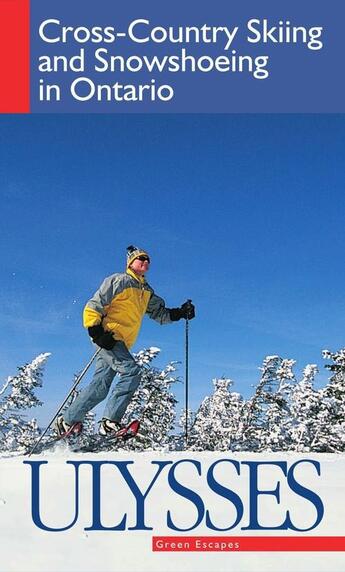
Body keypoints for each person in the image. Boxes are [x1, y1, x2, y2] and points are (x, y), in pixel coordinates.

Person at [57, 245, 195, 437]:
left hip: (120, 342)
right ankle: (109, 423)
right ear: (131, 262)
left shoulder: (146, 291)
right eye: (141, 258)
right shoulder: (119, 281)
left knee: (100, 386)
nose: (146, 262)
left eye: (148, 260)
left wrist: (181, 313)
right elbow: (94, 304)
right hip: (108, 337)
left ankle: (67, 421)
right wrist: (96, 331)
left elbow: (160, 314)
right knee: (132, 372)